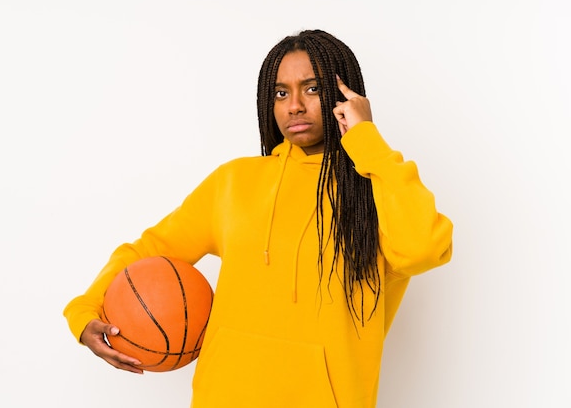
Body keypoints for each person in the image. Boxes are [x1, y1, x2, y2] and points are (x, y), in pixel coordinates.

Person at [63, 29, 453, 408]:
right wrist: (85, 312)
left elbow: (423, 249)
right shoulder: (235, 182)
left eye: (313, 88)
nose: (294, 105)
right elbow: (150, 249)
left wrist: (367, 141)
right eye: (281, 92)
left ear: (344, 96)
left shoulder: (376, 187)